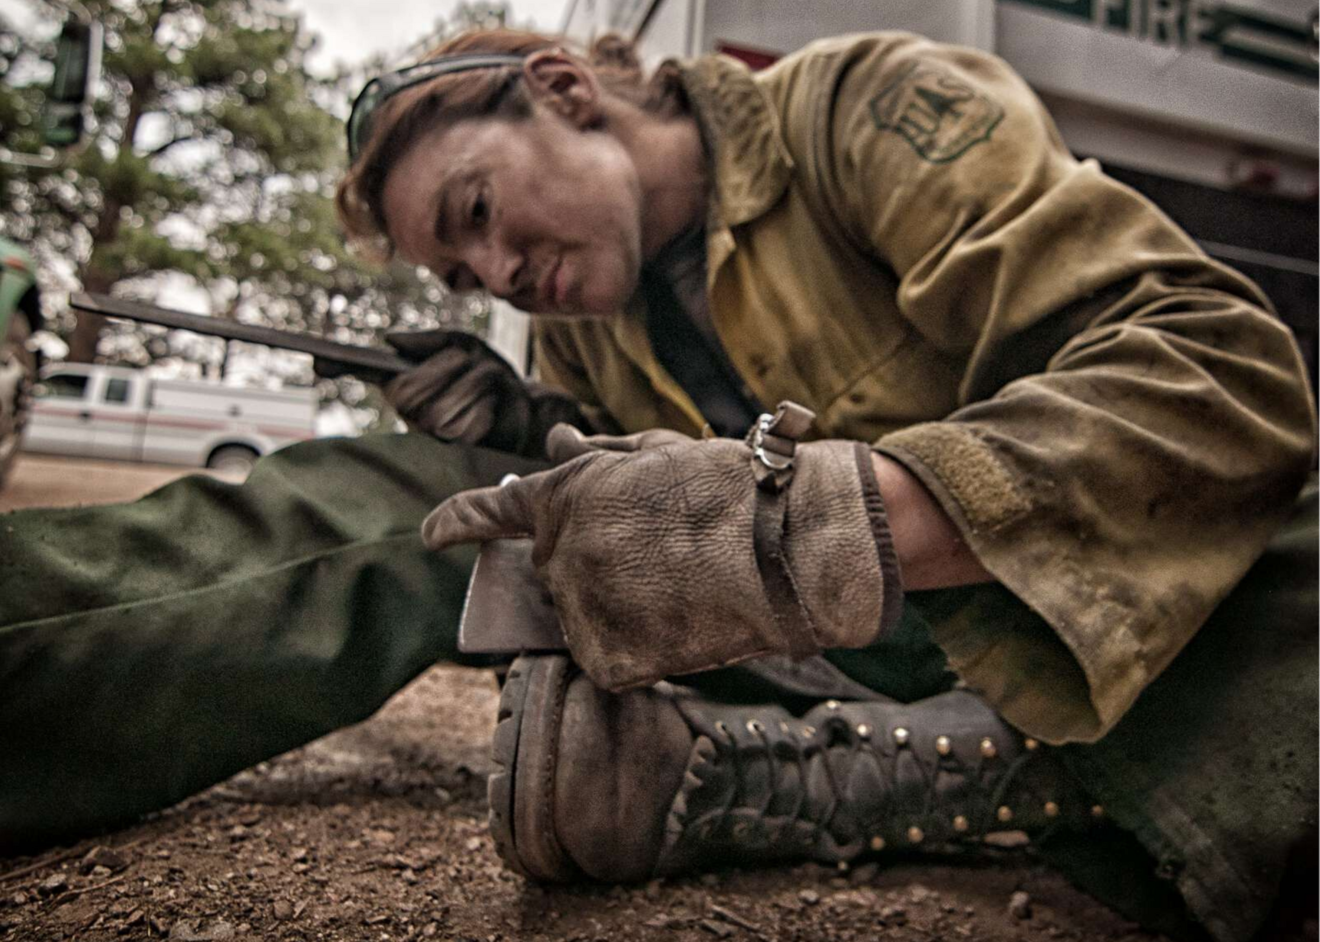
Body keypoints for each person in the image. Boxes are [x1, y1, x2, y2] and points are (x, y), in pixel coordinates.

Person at [0, 27, 1313, 942]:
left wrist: (822, 526)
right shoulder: (585, 323)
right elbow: (640, 507)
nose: (497, 272)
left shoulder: (860, 111)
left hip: (1049, 621)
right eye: (462, 275)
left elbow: (1219, 369)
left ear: (565, 87)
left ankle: (891, 775)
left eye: (475, 211)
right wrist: (525, 421)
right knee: (428, 505)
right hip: (822, 655)